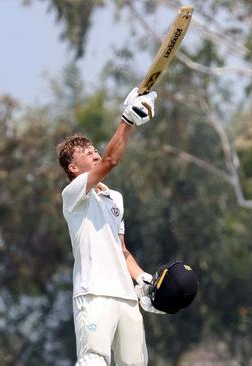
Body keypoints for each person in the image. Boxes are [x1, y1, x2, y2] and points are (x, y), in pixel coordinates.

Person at [57, 87, 162, 366]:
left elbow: (122, 251)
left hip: (126, 297)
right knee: (93, 361)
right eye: (86, 153)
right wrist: (126, 122)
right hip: (94, 294)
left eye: (94, 149)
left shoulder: (115, 198)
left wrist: (143, 279)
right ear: (73, 168)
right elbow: (111, 160)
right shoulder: (73, 194)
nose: (93, 153)